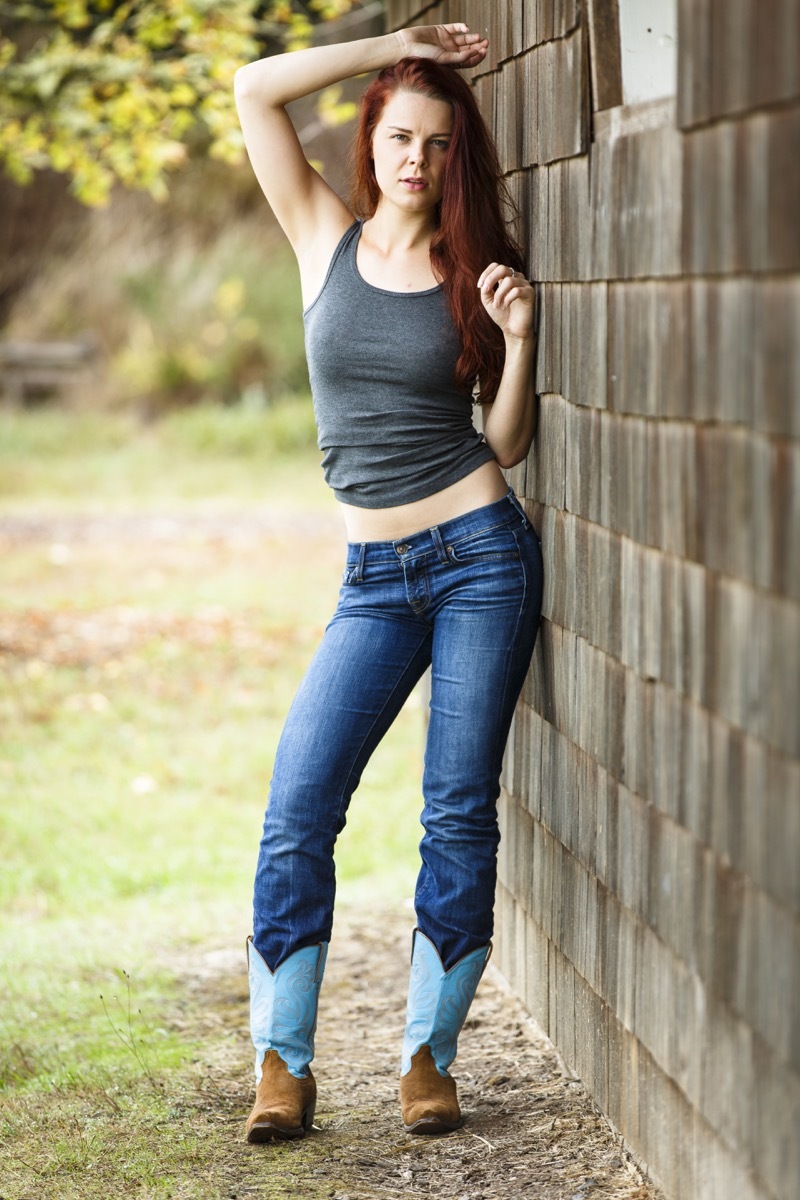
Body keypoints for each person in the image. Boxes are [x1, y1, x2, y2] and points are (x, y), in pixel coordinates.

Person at [234, 20, 544, 1143]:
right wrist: (397, 43)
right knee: (296, 810)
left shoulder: (473, 272)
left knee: (455, 813)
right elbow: (254, 87)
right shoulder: (320, 234)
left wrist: (519, 344)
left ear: (457, 161)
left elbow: (503, 448)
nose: (415, 159)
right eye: (398, 136)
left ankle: (426, 1061)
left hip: (477, 560)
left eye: (435, 146)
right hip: (371, 576)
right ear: (371, 140)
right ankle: (283, 1066)